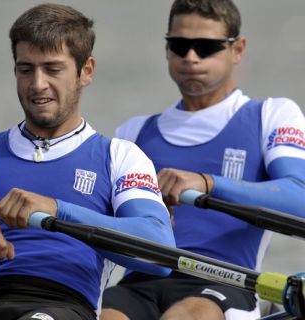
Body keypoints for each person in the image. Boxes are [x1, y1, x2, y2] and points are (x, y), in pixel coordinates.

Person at [0, 3, 175, 320]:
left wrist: (57, 210)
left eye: (52, 69)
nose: (37, 84)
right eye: (26, 70)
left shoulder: (120, 157)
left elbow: (160, 254)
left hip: (63, 305)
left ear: (86, 71)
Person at [100, 0, 305, 319]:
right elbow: (102, 228)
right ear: (167, 50)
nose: (191, 57)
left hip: (226, 282)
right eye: (180, 45)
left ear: (237, 49)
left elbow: (300, 197)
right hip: (140, 282)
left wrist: (208, 184)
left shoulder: (272, 115)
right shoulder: (133, 133)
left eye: (206, 47)